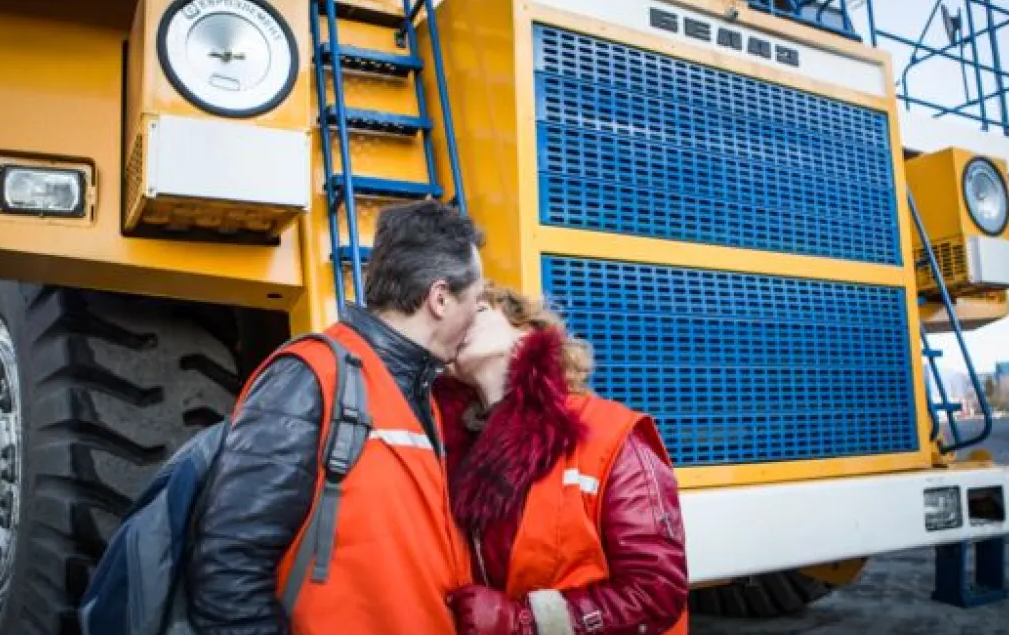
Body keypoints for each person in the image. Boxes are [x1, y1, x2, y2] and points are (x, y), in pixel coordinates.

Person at [188, 200, 486, 635]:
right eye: (476, 301)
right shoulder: (310, 377)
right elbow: (230, 563)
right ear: (439, 299)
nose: (476, 315)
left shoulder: (420, 394)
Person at [436, 286, 689, 635]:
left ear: (525, 331)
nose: (461, 321)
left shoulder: (609, 434)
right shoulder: (450, 455)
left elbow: (655, 591)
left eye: (478, 310)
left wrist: (523, 622)